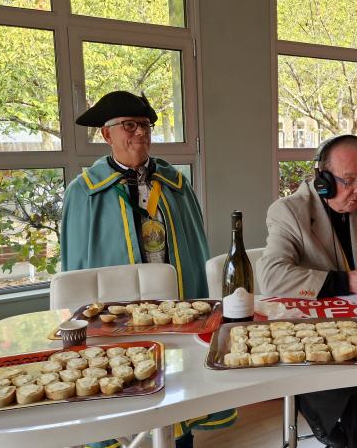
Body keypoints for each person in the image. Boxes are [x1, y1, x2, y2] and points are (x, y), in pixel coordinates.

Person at [61, 91, 235, 448]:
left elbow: (193, 246)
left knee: (177, 392)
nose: (140, 133)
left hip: (174, 305)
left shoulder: (175, 185)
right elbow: (78, 263)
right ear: (107, 135)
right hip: (118, 312)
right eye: (129, 125)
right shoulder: (84, 193)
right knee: (122, 389)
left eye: (145, 125)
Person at [257, 134, 357, 447]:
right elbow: (271, 277)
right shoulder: (288, 211)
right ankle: (340, 435)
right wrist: (349, 281)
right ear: (323, 180)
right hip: (314, 336)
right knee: (354, 393)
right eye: (349, 181)